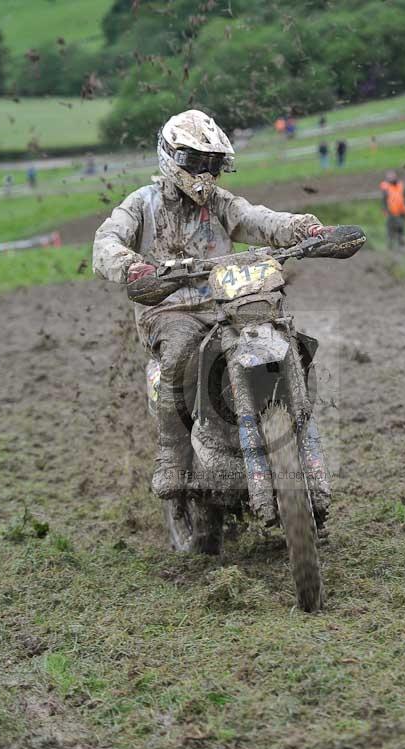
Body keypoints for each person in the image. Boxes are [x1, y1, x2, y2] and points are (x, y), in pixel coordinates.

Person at [92, 109, 325, 499]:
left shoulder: (219, 203)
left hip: (225, 303)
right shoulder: (142, 204)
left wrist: (304, 228)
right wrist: (131, 266)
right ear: (172, 157)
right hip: (168, 308)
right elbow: (106, 241)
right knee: (181, 351)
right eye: (197, 162)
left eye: (213, 164)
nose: (205, 173)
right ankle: (172, 456)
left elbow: (257, 219)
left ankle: (292, 426)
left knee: (286, 335)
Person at [380, 170, 405, 248]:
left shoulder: (401, 185)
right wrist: (384, 209)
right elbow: (384, 199)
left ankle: (401, 244)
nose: (391, 178)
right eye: (390, 176)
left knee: (401, 228)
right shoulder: (385, 187)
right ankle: (390, 245)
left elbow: (404, 197)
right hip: (391, 211)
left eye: (392, 176)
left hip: (401, 211)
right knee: (391, 229)